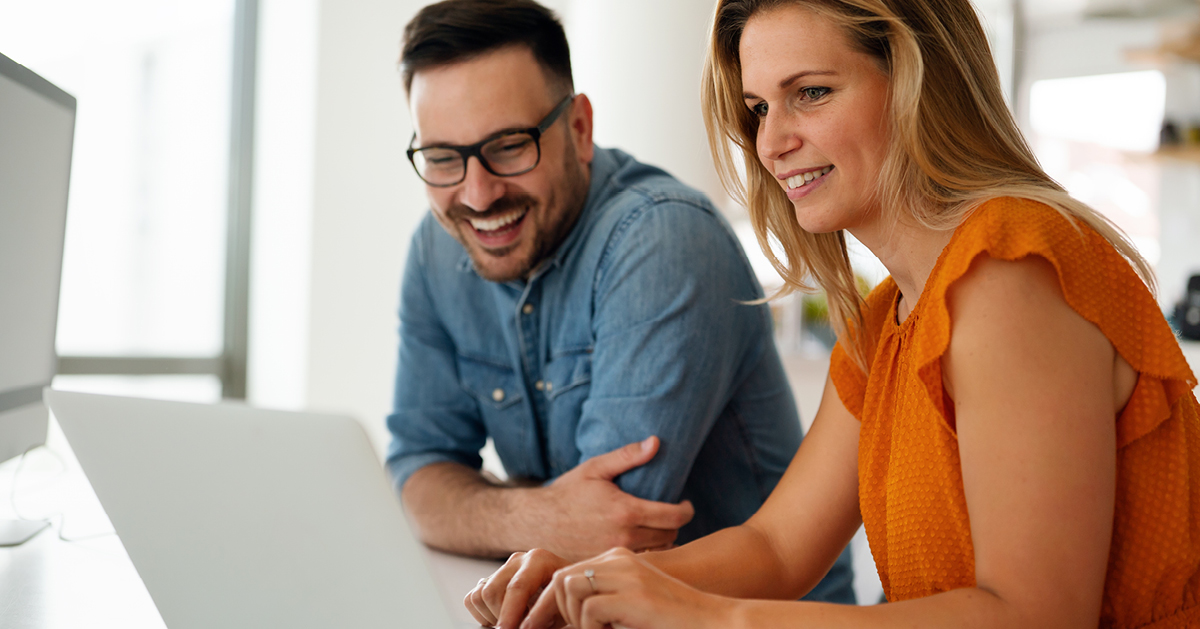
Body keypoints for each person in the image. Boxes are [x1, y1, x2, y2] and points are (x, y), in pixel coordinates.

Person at [465, 0, 1200, 627]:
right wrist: (586, 575)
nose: (772, 141)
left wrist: (718, 616)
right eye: (759, 107)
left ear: (917, 80)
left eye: (811, 92)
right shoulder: (886, 318)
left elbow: (1033, 614)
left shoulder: (1008, 270)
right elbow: (778, 547)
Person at [384, 0, 855, 603]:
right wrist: (535, 515)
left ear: (578, 130)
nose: (477, 196)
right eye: (445, 159)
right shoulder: (438, 248)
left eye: (508, 147)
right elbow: (417, 473)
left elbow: (609, 531)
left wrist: (478, 504)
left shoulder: (664, 238)